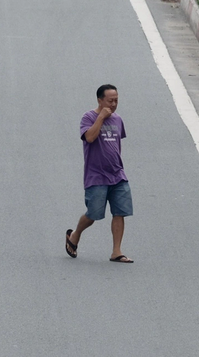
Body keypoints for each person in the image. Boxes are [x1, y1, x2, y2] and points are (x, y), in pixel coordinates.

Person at [65, 84, 133, 263]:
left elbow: (116, 145)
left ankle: (116, 251)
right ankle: (75, 235)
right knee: (93, 213)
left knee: (120, 212)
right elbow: (90, 137)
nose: (113, 104)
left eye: (116, 100)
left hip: (117, 174)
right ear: (100, 100)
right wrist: (101, 117)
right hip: (96, 176)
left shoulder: (118, 120)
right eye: (110, 101)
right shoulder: (88, 117)